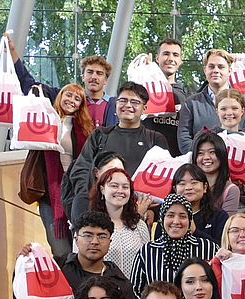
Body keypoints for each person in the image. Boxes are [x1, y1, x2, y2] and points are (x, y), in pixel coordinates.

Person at [68, 82, 168, 221]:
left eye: (134, 102)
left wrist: (153, 210)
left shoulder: (155, 139)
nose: (128, 105)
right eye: (123, 100)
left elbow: (162, 180)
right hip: (100, 210)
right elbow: (81, 169)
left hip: (138, 212)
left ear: (144, 108)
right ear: (115, 104)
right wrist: (89, 200)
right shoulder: (100, 135)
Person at [33, 83, 94, 259]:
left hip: (77, 192)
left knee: (81, 247)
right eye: (68, 95)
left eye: (77, 99)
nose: (71, 101)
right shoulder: (45, 121)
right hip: (50, 195)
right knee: (60, 251)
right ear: (60, 96)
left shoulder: (85, 129)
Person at [6, 35, 113, 126]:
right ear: (83, 77)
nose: (94, 77)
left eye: (99, 73)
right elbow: (29, 85)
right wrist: (13, 52)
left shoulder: (115, 106)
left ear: (105, 80)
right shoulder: (65, 98)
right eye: (90, 72)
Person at [129, 194, 220, 296]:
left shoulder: (208, 248)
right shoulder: (147, 251)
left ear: (190, 220)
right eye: (170, 215)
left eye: (182, 216)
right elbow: (135, 292)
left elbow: (219, 288)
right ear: (162, 219)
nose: (176, 222)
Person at [179, 49, 245, 153]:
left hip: (235, 164)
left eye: (221, 67)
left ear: (229, 71)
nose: (216, 70)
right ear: (205, 70)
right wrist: (202, 157)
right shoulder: (191, 103)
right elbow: (184, 138)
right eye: (211, 66)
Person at [89, 167, 151, 280]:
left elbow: (148, 263)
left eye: (125, 187)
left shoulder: (140, 226)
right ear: (102, 189)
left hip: (135, 293)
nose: (120, 191)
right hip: (103, 293)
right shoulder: (89, 226)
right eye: (114, 186)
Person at [143, 38, 190, 155]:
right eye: (166, 54)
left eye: (175, 55)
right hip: (146, 158)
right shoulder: (143, 89)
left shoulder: (188, 96)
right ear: (157, 58)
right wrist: (145, 73)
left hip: (176, 160)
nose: (170, 59)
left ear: (180, 60)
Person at [171, 163, 230, 243]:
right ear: (175, 189)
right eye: (182, 184)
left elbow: (223, 248)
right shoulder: (168, 218)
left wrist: (195, 232)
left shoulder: (219, 216)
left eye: (194, 182)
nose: (188, 188)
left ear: (205, 187)